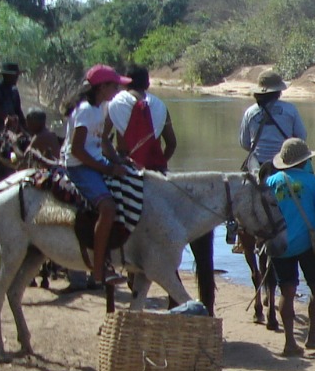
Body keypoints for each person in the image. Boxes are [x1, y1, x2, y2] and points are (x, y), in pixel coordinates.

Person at [110, 65, 217, 312]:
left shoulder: (117, 104)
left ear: (126, 83)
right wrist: (160, 165)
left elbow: (116, 144)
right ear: (148, 84)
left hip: (130, 173)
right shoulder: (160, 106)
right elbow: (172, 143)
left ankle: (114, 262)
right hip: (158, 173)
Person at [265, 137, 315, 356]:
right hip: (309, 244)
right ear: (304, 161)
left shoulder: (271, 182)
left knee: (287, 292)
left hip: (281, 245)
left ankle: (290, 342)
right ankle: (312, 337)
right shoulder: (313, 182)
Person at [61, 64, 128, 286]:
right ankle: (99, 269)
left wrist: (118, 161)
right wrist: (107, 169)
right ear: (102, 87)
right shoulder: (85, 111)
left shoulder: (100, 108)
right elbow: (77, 150)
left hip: (94, 162)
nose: (118, 90)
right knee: (107, 208)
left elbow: (100, 143)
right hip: (79, 166)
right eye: (115, 86)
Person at [238, 70, 306, 176]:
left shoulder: (250, 112)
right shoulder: (290, 110)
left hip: (258, 165)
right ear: (278, 91)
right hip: (285, 162)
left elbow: (244, 143)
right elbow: (302, 137)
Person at [0, 62, 24, 130]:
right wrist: (8, 118)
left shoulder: (14, 90)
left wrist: (24, 124)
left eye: (17, 76)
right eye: (15, 76)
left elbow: (18, 110)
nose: (17, 78)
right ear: (7, 76)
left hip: (14, 126)